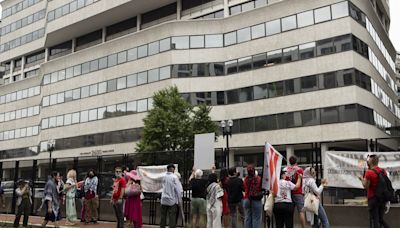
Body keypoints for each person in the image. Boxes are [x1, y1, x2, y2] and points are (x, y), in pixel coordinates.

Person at [359, 154, 390, 228]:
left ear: (370, 162)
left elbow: (365, 186)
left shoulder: (369, 172)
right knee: (380, 219)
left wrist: (361, 179)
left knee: (375, 220)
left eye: (368, 160)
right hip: (382, 198)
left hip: (373, 199)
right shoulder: (383, 171)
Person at [286, 156, 306, 228]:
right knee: (301, 211)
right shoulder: (300, 170)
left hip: (290, 193)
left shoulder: (287, 170)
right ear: (296, 161)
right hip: (298, 192)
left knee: (290, 213)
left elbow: (286, 181)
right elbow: (304, 180)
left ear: (289, 162)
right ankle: (303, 227)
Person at [160, 164, 182, 228]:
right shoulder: (174, 177)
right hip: (172, 200)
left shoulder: (163, 176)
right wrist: (179, 200)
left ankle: (162, 226)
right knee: (172, 216)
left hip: (163, 199)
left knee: (163, 216)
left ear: (167, 169)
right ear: (173, 170)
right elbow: (178, 190)